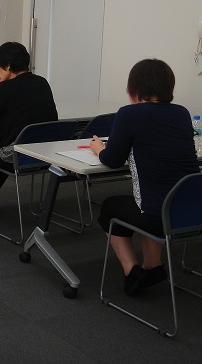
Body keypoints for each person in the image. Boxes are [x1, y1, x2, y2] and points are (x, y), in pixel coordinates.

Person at [90, 59, 199, 296]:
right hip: (191, 210)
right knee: (150, 196)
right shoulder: (181, 113)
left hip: (158, 216)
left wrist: (98, 148)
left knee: (111, 207)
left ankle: (132, 271)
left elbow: (112, 159)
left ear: (134, 88)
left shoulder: (129, 114)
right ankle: (153, 265)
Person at [0, 42, 57, 214]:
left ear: (8, 66)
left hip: (20, 154)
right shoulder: (42, 82)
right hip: (45, 151)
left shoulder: (5, 88)